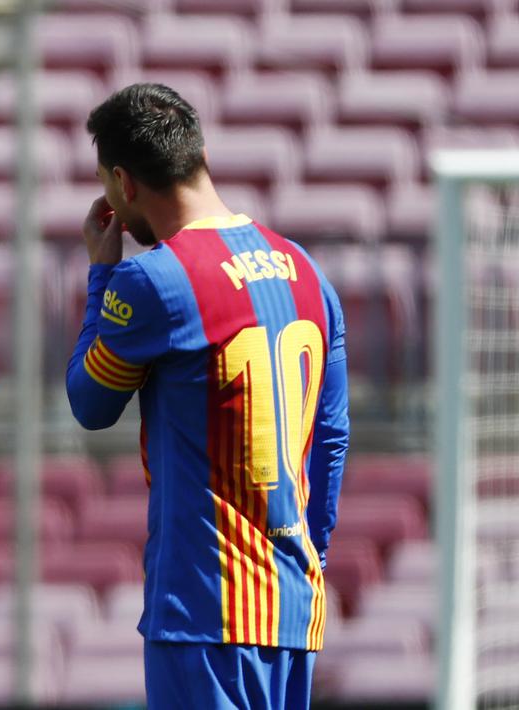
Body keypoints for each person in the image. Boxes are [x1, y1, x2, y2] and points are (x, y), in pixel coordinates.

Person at [65, 83, 349, 709]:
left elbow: (89, 402)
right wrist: (311, 555)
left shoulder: (154, 279)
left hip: (204, 609)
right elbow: (331, 437)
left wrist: (101, 275)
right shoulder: (306, 270)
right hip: (293, 608)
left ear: (123, 181)